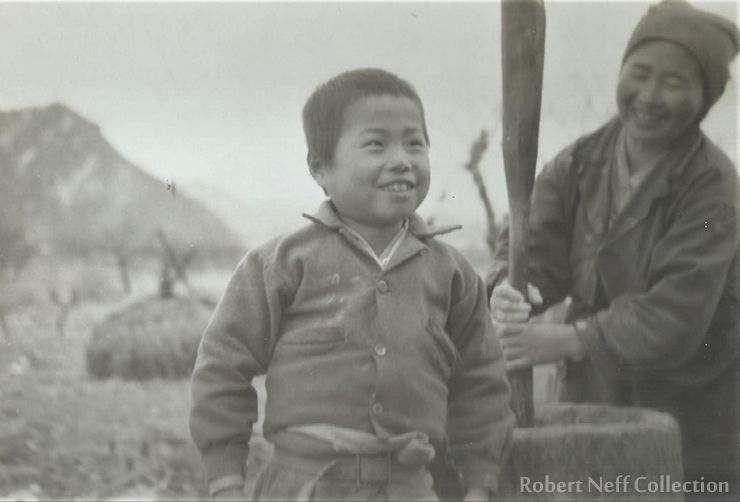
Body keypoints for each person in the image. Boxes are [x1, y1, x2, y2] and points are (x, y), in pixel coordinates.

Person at [190, 68, 514, 501]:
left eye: (415, 143)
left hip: (410, 489)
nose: (402, 158)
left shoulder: (454, 276)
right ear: (319, 167)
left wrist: (479, 484)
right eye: (376, 144)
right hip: (302, 486)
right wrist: (226, 482)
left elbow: (481, 385)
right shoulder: (277, 266)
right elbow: (221, 370)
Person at [489, 0, 739, 498]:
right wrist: (508, 290)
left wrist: (567, 340)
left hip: (695, 416)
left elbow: (674, 317)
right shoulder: (581, 161)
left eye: (675, 82)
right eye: (640, 73)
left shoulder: (713, 187)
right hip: (594, 400)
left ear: (705, 97)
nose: (649, 95)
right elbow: (533, 252)